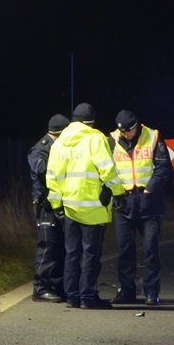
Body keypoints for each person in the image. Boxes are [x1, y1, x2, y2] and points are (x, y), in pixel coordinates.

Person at [46, 102, 126, 309]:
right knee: (90, 254)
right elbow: (107, 169)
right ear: (91, 121)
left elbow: (52, 176)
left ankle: (72, 296)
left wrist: (56, 205)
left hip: (70, 206)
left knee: (72, 253)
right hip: (93, 207)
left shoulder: (59, 142)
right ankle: (88, 296)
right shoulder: (95, 138)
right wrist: (118, 193)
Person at [108, 109, 173, 305]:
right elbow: (107, 170)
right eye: (123, 132)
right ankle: (127, 291)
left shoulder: (153, 136)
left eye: (129, 131)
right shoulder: (111, 140)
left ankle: (151, 292)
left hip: (149, 202)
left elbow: (163, 167)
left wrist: (149, 191)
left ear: (136, 126)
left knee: (151, 249)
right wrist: (115, 193)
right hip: (123, 202)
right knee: (124, 249)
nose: (126, 135)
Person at [27, 113, 70, 302]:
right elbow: (42, 171)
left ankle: (56, 285)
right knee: (47, 247)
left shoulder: (55, 147)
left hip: (56, 204)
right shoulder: (41, 149)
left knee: (59, 247)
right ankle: (41, 288)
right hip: (46, 205)